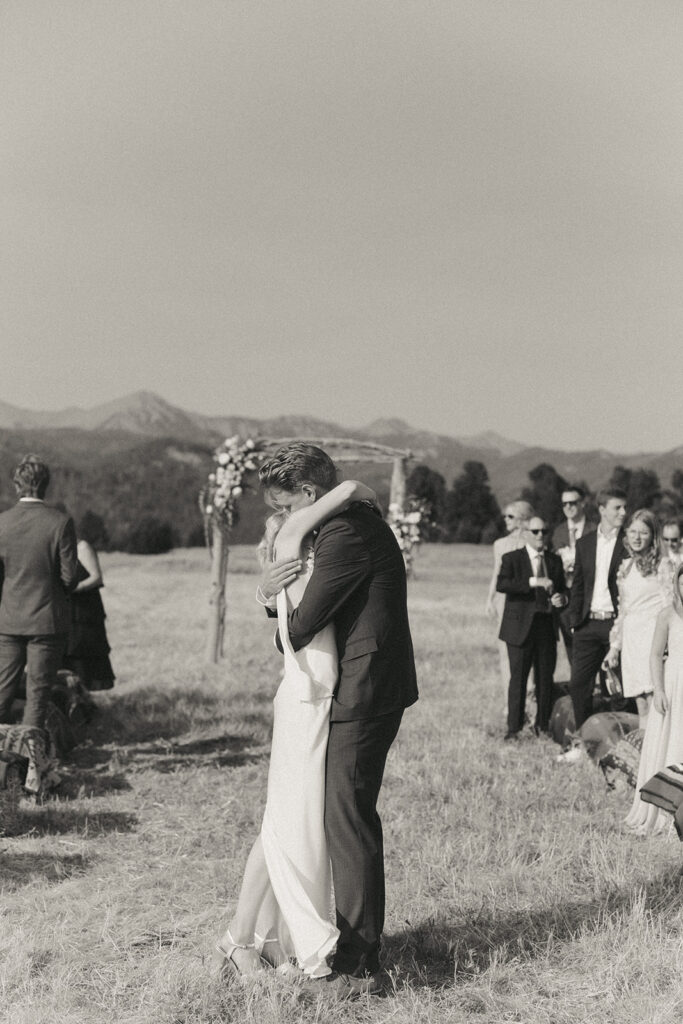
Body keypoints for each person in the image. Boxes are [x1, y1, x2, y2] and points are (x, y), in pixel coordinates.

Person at [219, 444, 418, 999]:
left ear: (310, 495)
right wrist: (269, 591)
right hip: (324, 692)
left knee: (343, 819)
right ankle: (261, 939)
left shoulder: (344, 534)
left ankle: (358, 963)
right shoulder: (337, 523)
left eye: (288, 502)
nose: (284, 517)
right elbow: (295, 616)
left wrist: (270, 592)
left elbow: (303, 623)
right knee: (303, 816)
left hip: (357, 690)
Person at [0, 455, 79, 728]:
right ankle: (29, 767)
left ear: (16, 485)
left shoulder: (2, 522)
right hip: (47, 620)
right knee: (38, 695)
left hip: (9, 619)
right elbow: (70, 578)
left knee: (2, 689)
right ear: (45, 485)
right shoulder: (60, 523)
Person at [558, 487, 628, 763]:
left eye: (624, 508)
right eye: (617, 508)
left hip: (615, 625)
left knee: (619, 689)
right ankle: (586, 745)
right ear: (602, 510)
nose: (623, 513)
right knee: (579, 686)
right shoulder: (585, 543)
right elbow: (578, 586)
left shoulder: (628, 542)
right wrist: (575, 621)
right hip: (588, 624)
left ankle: (622, 748)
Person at [625, 562, 683, 835]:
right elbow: (655, 655)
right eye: (682, 581)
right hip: (672, 686)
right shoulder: (667, 615)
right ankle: (661, 810)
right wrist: (658, 690)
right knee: (668, 741)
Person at [497, 515, 567, 739]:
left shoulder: (554, 561)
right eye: (535, 531)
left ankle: (543, 726)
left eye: (544, 531)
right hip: (519, 628)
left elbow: (563, 590)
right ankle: (514, 729)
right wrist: (533, 582)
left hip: (546, 626)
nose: (540, 536)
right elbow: (503, 584)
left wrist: (561, 599)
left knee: (545, 679)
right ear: (526, 533)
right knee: (518, 678)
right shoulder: (512, 558)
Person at [605, 510, 671, 728]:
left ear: (653, 535)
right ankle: (645, 756)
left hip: (653, 639)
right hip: (632, 641)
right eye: (632, 531)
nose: (636, 537)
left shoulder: (663, 566)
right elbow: (623, 610)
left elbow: (671, 605)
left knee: (656, 701)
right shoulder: (626, 566)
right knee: (640, 704)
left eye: (643, 532)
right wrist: (615, 647)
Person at [485, 500, 534, 709]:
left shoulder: (533, 541)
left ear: (523, 519)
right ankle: (510, 703)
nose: (506, 520)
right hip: (503, 602)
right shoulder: (500, 544)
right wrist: (489, 599)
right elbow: (496, 574)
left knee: (528, 654)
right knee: (506, 654)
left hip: (527, 602)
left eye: (511, 516)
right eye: (505, 516)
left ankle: (530, 702)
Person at [62, 527, 115, 691]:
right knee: (67, 651)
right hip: (66, 608)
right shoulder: (58, 550)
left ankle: (84, 700)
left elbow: (97, 577)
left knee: (83, 651)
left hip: (84, 610)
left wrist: (76, 588)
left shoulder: (82, 547)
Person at [551, 486, 596, 665]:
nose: (568, 507)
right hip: (565, 597)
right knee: (571, 647)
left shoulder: (594, 529)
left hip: (589, 596)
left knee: (591, 646)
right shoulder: (558, 532)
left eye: (573, 503)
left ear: (583, 503)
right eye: (564, 504)